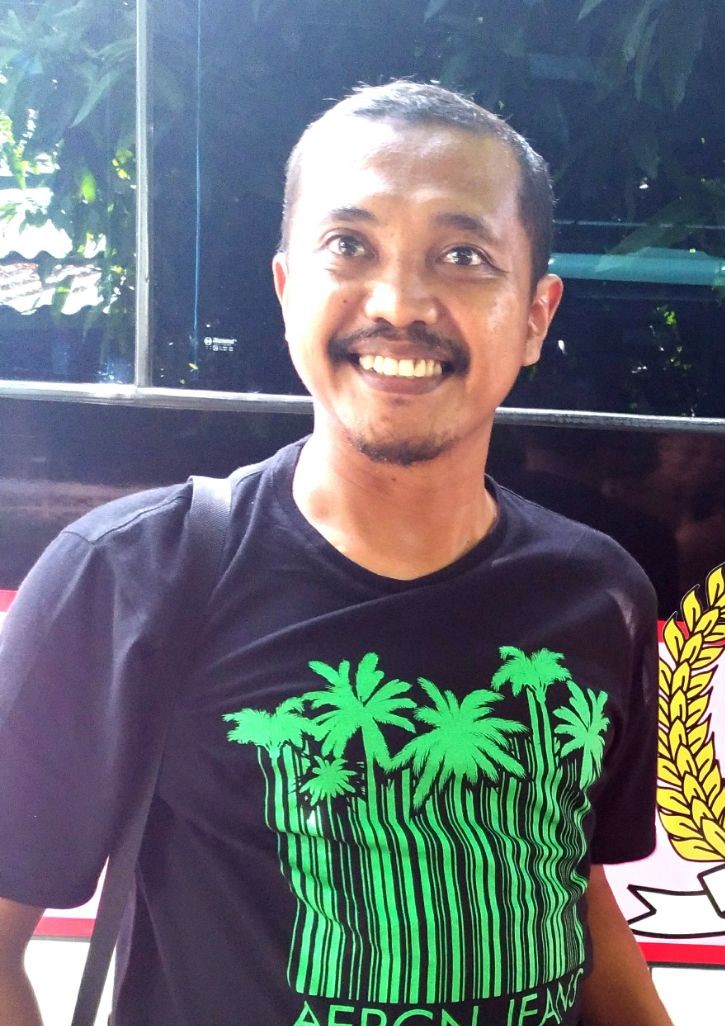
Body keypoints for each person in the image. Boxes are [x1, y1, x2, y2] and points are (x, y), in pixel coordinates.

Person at [0, 81, 672, 1026]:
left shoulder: (601, 594)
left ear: (534, 315)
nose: (399, 303)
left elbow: (567, 885)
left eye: (464, 256)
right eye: (349, 245)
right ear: (288, 290)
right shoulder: (126, 577)